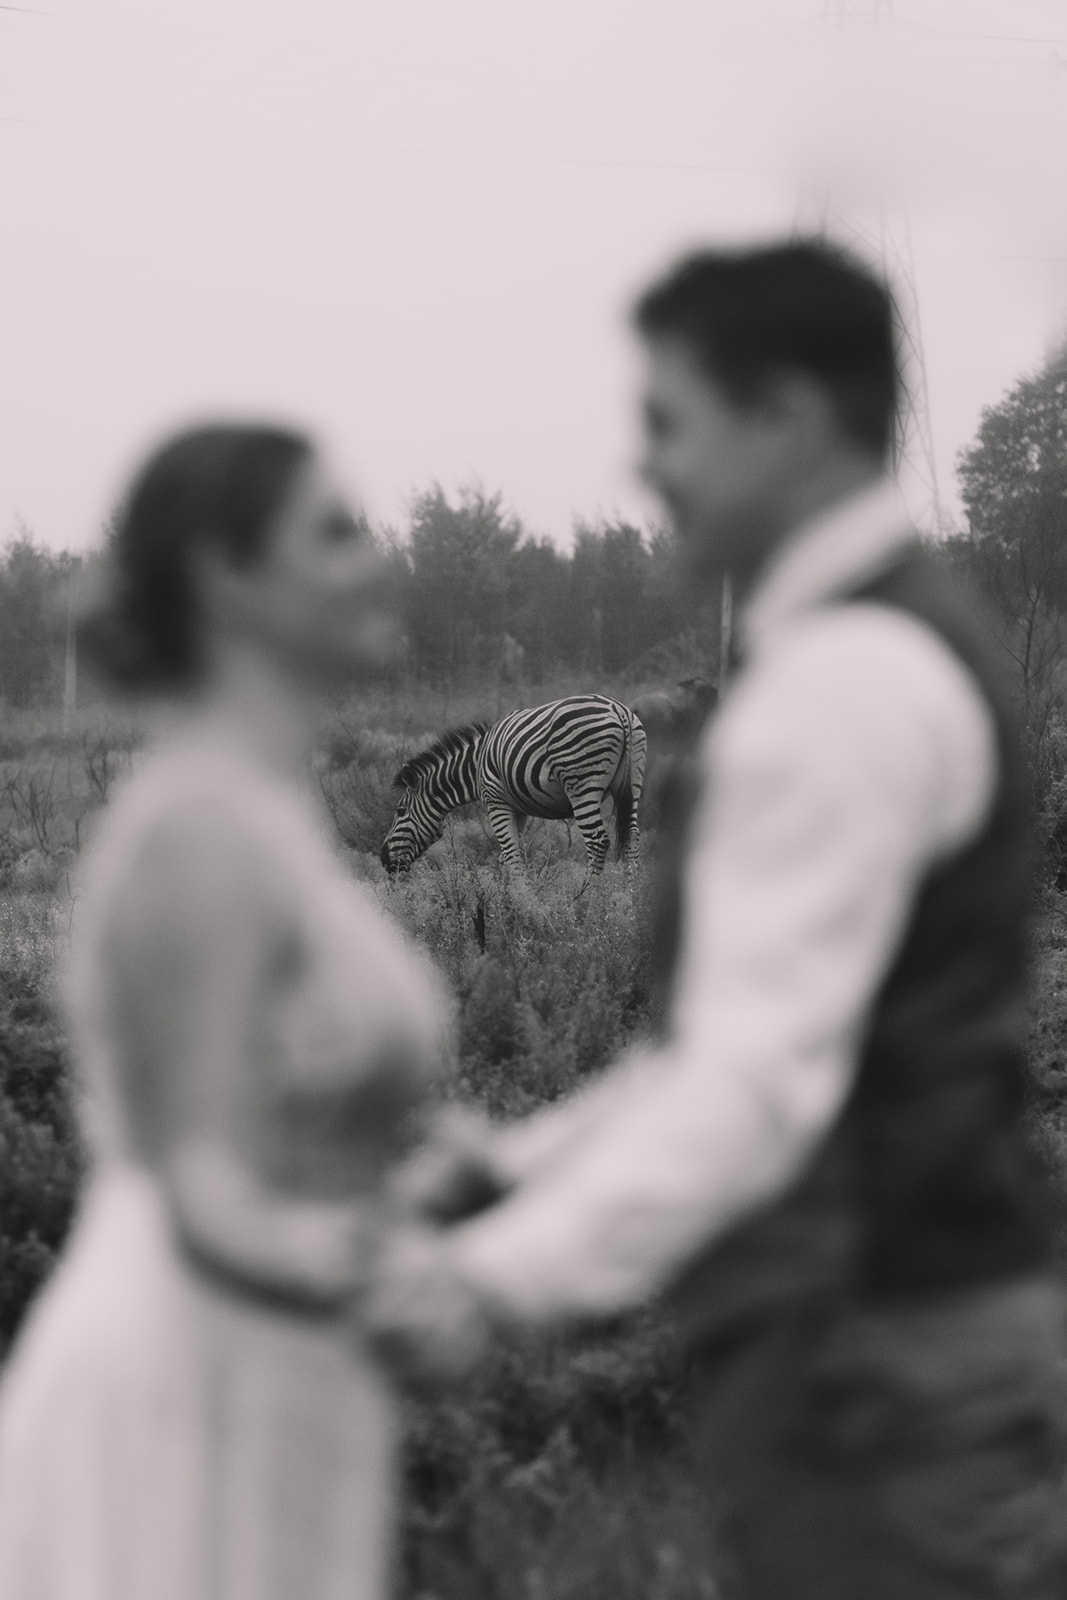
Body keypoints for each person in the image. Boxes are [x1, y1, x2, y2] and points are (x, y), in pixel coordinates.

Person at [366, 241, 1067, 1598]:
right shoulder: (891, 643)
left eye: (669, 422)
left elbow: (751, 1087)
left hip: (864, 1363)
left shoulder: (839, 690)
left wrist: (486, 1283)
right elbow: (757, 1032)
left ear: (788, 420)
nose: (647, 467)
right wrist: (519, 1163)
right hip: (896, 1342)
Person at [0, 423, 450, 1600]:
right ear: (227, 576)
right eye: (336, 531)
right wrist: (391, 1278)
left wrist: (415, 1195)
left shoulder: (262, 809)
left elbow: (273, 1144)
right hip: (188, 1379)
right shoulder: (197, 825)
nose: (377, 556)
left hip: (272, 1366)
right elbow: (207, 1193)